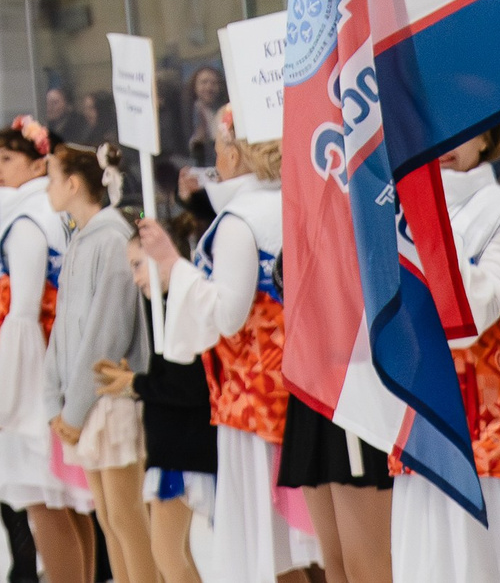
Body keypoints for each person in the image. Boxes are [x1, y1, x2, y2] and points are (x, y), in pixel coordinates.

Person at [142, 105, 317, 583]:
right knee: (311, 543)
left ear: (238, 154)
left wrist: (172, 266)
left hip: (254, 400)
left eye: (219, 147)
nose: (214, 157)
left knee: (272, 547)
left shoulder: (240, 221)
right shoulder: (296, 205)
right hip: (305, 388)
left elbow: (226, 313)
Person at [390, 123, 500, 583]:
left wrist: (428, 215)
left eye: (458, 130)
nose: (441, 143)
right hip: (420, 427)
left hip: (490, 438)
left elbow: (470, 316)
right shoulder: (397, 211)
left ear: (487, 137)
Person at [0, 118, 79, 583]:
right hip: (49, 370)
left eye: (7, 159)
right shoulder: (39, 215)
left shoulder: (30, 220)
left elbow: (24, 315)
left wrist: (9, 400)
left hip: (33, 382)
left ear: (38, 163)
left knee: (46, 506)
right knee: (64, 507)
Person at [45, 144, 151, 583]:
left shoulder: (109, 239)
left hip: (107, 395)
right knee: (109, 518)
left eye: (51, 177)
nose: (47, 187)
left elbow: (106, 331)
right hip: (84, 398)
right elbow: (63, 326)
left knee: (127, 520)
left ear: (73, 184)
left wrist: (73, 407)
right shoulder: (81, 239)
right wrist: (56, 397)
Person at [105, 230, 214, 583]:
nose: (136, 277)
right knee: (172, 552)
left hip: (183, 450)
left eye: (138, 265)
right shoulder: (165, 310)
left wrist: (135, 384)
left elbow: (189, 386)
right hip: (173, 447)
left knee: (166, 551)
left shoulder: (179, 309)